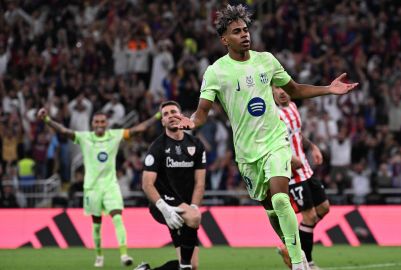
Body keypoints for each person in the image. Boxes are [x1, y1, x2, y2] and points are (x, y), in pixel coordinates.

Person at [174, 4, 357, 270]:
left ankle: (299, 263)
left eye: (246, 29)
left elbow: (293, 90)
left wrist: (329, 89)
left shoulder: (267, 60)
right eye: (236, 32)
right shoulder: (216, 72)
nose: (244, 35)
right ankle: (292, 247)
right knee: (271, 209)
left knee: (282, 199)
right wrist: (191, 122)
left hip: (275, 142)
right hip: (247, 154)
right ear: (225, 39)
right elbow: (203, 112)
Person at [36, 107, 162, 267]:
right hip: (92, 188)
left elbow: (139, 129)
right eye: (97, 122)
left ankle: (124, 255)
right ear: (92, 124)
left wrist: (158, 114)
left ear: (107, 123)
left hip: (110, 186)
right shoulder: (84, 137)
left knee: (117, 217)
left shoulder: (115, 135)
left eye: (103, 121)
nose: (100, 124)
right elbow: (64, 131)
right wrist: (47, 120)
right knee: (97, 225)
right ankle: (99, 255)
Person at [135, 101, 206, 270]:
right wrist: (164, 208)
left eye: (173, 111)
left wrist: (194, 206)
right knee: (194, 218)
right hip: (162, 202)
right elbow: (147, 184)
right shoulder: (157, 147)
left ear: (181, 115)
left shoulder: (196, 145)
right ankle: (185, 266)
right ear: (163, 122)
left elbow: (200, 183)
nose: (170, 115)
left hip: (185, 205)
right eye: (165, 114)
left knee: (193, 266)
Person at [273, 86, 330, 270]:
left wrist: (313, 147)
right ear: (272, 92)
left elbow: (296, 134)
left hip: (305, 169)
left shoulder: (293, 108)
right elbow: (270, 144)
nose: (281, 92)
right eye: (276, 88)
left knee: (324, 208)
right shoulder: (273, 116)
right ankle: (308, 263)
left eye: (284, 88)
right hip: (291, 175)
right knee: (310, 217)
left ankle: (289, 247)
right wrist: (289, 158)